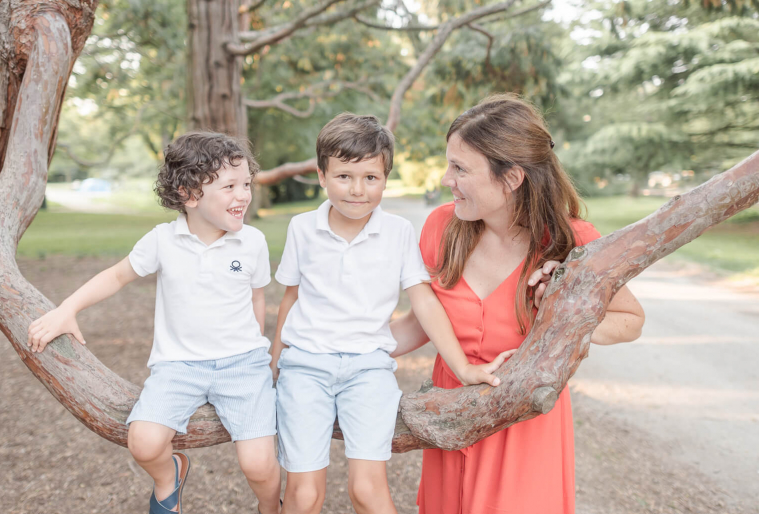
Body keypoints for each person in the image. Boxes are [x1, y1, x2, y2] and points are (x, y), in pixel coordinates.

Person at [390, 94, 646, 514]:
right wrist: (340, 344)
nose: (444, 179)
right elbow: (424, 320)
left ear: (511, 178)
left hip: (523, 425)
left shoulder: (572, 241)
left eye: (459, 168)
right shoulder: (442, 227)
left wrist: (566, 316)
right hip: (451, 412)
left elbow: (631, 320)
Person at [269, 113, 519, 514]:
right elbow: (290, 299)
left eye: (371, 178)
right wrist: (274, 368)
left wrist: (463, 368)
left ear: (386, 177)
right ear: (321, 175)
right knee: (304, 496)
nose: (357, 190)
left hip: (368, 370)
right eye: (344, 176)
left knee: (366, 491)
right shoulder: (302, 228)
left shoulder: (399, 232)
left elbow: (423, 300)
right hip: (305, 367)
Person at [27, 132, 281, 514]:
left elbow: (256, 297)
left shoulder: (253, 242)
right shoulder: (163, 241)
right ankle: (170, 476)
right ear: (189, 194)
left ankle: (270, 507)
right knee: (143, 442)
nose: (243, 195)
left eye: (246, 183)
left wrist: (257, 351)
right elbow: (115, 276)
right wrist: (68, 309)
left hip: (243, 366)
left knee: (259, 465)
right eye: (230, 186)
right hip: (177, 367)